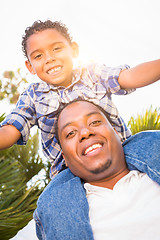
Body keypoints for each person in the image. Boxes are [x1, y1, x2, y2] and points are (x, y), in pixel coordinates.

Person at [0, 19, 160, 179]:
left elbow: (128, 77)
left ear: (74, 50)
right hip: (69, 173)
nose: (49, 58)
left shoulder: (92, 74)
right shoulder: (33, 96)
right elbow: (12, 129)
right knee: (51, 200)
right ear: (30, 67)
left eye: (57, 48)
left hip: (123, 153)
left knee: (151, 143)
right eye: (39, 56)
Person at [34, 99, 160, 240]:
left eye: (94, 122)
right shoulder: (49, 214)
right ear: (65, 159)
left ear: (116, 133)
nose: (85, 133)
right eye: (70, 133)